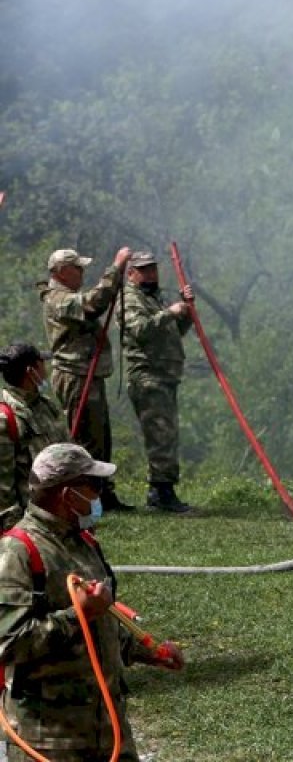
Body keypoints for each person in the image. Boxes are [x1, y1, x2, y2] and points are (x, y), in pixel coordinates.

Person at [0, 443, 184, 761]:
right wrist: (77, 614)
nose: (99, 495)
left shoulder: (82, 541)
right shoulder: (18, 552)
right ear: (68, 494)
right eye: (94, 486)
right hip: (52, 740)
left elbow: (104, 616)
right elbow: (9, 643)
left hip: (108, 730)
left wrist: (146, 651)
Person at [39, 246, 134, 512]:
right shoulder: (57, 299)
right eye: (77, 268)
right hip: (74, 374)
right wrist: (115, 269)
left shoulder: (67, 295)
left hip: (86, 373)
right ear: (61, 271)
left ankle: (102, 491)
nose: (82, 272)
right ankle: (84, 495)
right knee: (84, 437)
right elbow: (92, 304)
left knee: (99, 434)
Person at [119, 251, 193, 513]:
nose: (150, 274)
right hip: (147, 376)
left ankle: (161, 490)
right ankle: (162, 492)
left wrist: (185, 314)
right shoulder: (129, 298)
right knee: (160, 434)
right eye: (144, 269)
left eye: (153, 269)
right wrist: (171, 313)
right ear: (131, 273)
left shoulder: (153, 298)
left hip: (164, 376)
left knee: (166, 434)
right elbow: (141, 329)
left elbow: (172, 334)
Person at [0, 343, 70, 531]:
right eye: (42, 364)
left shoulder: (45, 406)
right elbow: (3, 491)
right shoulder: (6, 418)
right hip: (30, 523)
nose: (46, 370)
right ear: (31, 371)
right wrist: (14, 533)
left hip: (57, 514)